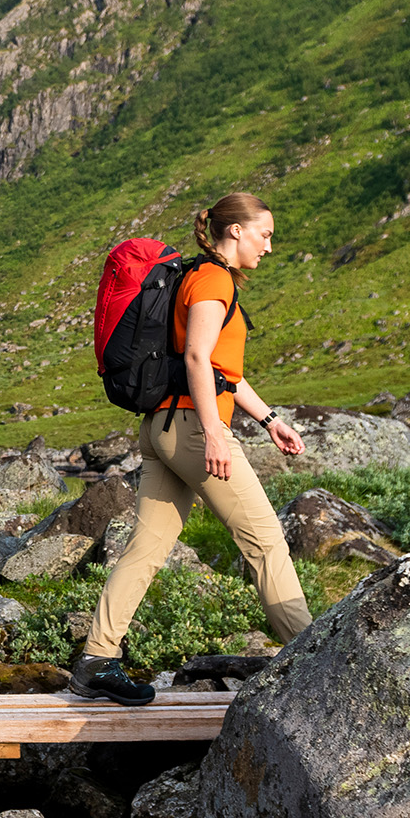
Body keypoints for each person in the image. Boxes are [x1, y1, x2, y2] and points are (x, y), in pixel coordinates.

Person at [72, 192, 312, 706]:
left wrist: (270, 420)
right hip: (191, 429)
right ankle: (316, 663)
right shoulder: (213, 280)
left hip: (163, 426)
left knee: (147, 547)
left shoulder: (197, 276)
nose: (269, 246)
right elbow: (200, 359)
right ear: (235, 232)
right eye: (264, 234)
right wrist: (217, 434)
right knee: (266, 544)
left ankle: (96, 658)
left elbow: (224, 371)